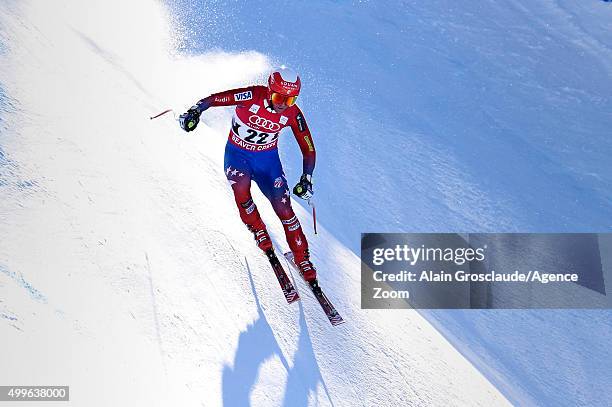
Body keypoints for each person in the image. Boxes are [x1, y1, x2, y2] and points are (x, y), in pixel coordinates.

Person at [179, 68, 319, 285]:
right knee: (241, 188)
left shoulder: (293, 113)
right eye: (278, 97)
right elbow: (217, 99)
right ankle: (258, 229)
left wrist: (307, 177)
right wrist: (196, 111)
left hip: (268, 163)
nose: (283, 103)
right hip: (238, 157)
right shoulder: (253, 95)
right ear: (269, 90)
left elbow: (308, 147)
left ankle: (302, 258)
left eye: (290, 99)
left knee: (285, 209)